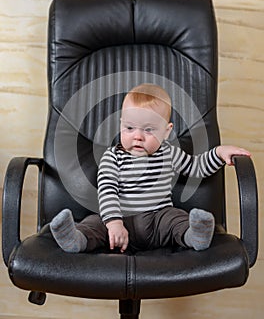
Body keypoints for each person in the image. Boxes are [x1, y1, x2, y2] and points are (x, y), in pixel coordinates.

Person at [50, 84, 251, 254]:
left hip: (158, 219)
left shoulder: (169, 153)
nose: (138, 136)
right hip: (121, 223)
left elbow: (196, 167)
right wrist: (114, 223)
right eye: (129, 128)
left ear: (166, 131)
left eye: (148, 130)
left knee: (176, 218)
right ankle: (76, 239)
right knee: (94, 223)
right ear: (121, 125)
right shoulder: (112, 157)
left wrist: (219, 153)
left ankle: (194, 235)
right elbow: (107, 191)